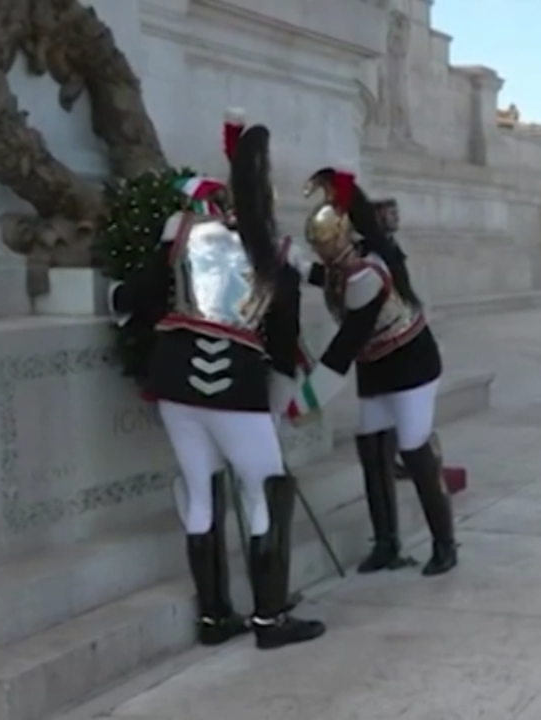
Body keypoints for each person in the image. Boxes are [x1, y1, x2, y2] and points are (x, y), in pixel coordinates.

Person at [107, 122, 326, 651]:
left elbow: (134, 298)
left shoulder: (180, 233)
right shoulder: (276, 252)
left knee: (200, 488)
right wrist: (279, 394)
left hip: (175, 381)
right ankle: (270, 619)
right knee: (265, 491)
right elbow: (283, 339)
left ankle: (214, 616)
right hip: (237, 386)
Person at [294, 167, 458, 577]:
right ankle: (386, 543)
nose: (320, 251)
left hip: (410, 364)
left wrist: (307, 399)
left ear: (342, 236)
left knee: (415, 448)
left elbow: (345, 344)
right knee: (371, 451)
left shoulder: (367, 274)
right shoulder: (345, 268)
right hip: (377, 366)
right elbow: (328, 280)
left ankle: (444, 543)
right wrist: (287, 262)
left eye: (324, 243)